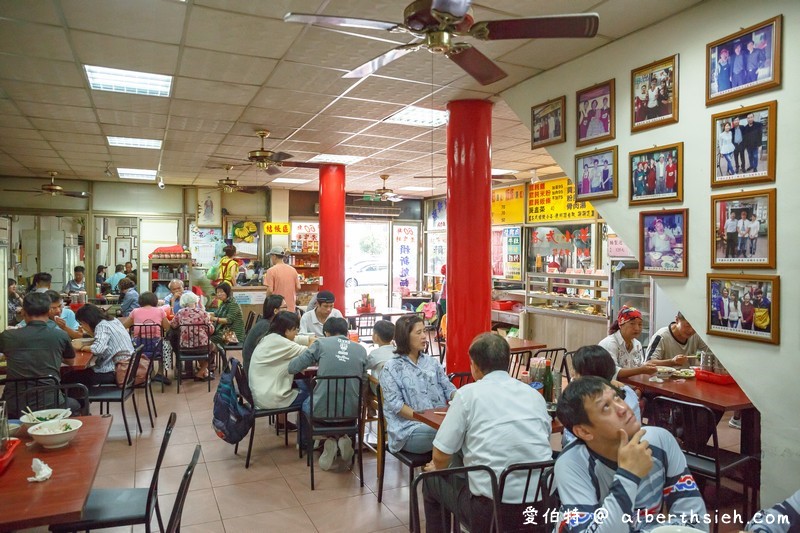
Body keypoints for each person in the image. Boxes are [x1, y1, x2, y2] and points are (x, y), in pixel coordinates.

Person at [422, 333, 553, 533]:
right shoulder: (534, 395)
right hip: (540, 505)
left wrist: (437, 468)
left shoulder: (467, 395)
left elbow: (440, 456)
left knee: (431, 481)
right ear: (507, 361)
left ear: (474, 365)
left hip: (491, 512)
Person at [554, 376, 708, 532]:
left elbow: (696, 522)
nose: (623, 408)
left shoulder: (661, 441)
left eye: (617, 398)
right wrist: (628, 475)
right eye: (606, 407)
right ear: (584, 431)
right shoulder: (572, 464)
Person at [287, 317, 368, 471]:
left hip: (321, 415)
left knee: (305, 402)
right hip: (351, 414)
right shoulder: (361, 350)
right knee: (341, 401)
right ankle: (341, 437)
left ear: (326, 333)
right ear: (347, 333)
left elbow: (293, 367)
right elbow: (363, 383)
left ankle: (325, 439)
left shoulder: (321, 344)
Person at [380, 315, 456, 454]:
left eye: (424, 331)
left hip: (439, 422)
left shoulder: (431, 362)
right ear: (405, 336)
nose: (424, 337)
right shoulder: (391, 368)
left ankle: (438, 473)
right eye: (418, 332)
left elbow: (448, 388)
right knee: (451, 434)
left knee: (459, 430)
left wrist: (460, 397)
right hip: (409, 429)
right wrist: (426, 419)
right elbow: (397, 406)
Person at [0, 292, 78, 417]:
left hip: (13, 404)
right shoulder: (60, 335)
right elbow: (70, 362)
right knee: (76, 403)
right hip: (51, 403)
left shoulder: (8, 336)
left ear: (23, 311)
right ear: (48, 311)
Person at [248, 311, 312, 438]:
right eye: (295, 330)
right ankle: (305, 440)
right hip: (271, 398)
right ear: (287, 330)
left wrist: (308, 339)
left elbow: (295, 340)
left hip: (261, 392)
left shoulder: (270, 337)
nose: (297, 333)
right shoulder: (283, 344)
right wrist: (313, 342)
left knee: (305, 384)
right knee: (312, 397)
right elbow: (309, 353)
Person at [562, 345, 641, 448]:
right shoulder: (628, 392)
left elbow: (570, 442)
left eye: (575, 370)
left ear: (585, 376)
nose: (572, 373)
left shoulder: (585, 403)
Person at [65, 304, 131, 389]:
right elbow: (100, 339)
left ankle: (78, 401)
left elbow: (97, 349)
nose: (82, 326)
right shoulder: (113, 320)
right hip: (126, 367)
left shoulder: (102, 326)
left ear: (87, 321)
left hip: (113, 371)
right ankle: (81, 400)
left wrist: (82, 347)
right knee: (75, 376)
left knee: (68, 377)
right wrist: (88, 331)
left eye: (82, 323)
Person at [121, 291, 172, 385]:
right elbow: (167, 327)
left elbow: (124, 326)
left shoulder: (135, 311)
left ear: (140, 301)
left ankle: (146, 372)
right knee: (167, 345)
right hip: (156, 347)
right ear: (155, 301)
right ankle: (160, 373)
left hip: (139, 347)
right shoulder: (160, 311)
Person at [597, 306, 656, 379]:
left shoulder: (637, 344)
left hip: (634, 387)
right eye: (632, 323)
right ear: (621, 324)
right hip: (613, 387)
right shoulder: (610, 343)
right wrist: (641, 370)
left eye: (640, 324)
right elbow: (613, 372)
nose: (637, 328)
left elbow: (640, 366)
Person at [170, 291, 216, 381]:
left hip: (185, 348)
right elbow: (210, 331)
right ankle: (201, 371)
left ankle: (197, 371)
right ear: (196, 301)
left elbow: (173, 325)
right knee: (214, 349)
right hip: (202, 347)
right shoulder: (203, 313)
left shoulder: (180, 313)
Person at [645, 312, 710, 367]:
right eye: (687, 326)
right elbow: (648, 363)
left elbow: (710, 352)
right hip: (664, 380)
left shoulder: (696, 335)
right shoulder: (661, 336)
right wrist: (672, 361)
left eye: (695, 326)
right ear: (677, 320)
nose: (691, 330)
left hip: (688, 379)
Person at [243, 294, 287, 372]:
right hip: (255, 371)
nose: (287, 310)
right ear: (275, 311)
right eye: (285, 307)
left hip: (253, 366)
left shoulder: (265, 323)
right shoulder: (266, 327)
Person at [264, 246, 300, 312]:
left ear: (274, 256)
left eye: (271, 256)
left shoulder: (271, 271)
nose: (271, 259)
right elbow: (298, 287)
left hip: (278, 309)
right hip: (291, 308)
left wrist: (266, 304)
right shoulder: (293, 270)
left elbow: (270, 290)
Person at [209, 282, 244, 346]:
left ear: (227, 292)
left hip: (233, 335)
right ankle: (215, 354)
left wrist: (213, 318)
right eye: (217, 292)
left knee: (209, 339)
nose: (219, 294)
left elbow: (228, 320)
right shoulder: (224, 303)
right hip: (225, 332)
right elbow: (216, 313)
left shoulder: (233, 304)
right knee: (208, 335)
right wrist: (204, 314)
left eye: (221, 292)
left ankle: (216, 354)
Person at [365, 320, 395, 391]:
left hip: (380, 391)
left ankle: (364, 401)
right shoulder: (398, 352)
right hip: (397, 391)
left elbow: (364, 367)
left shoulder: (374, 354)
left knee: (365, 376)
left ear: (375, 336)